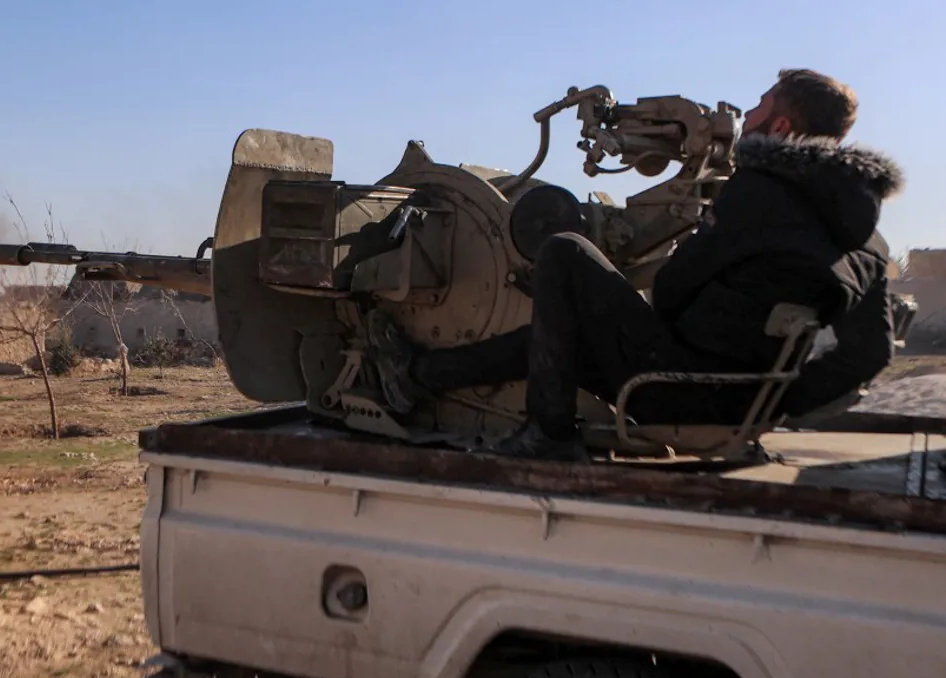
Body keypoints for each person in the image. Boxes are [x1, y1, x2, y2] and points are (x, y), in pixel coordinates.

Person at [369, 68, 905, 461]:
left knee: (563, 251)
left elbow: (670, 290)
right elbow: (870, 353)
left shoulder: (759, 194)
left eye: (759, 109)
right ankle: (417, 376)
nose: (748, 118)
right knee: (563, 337)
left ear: (782, 127)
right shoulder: (868, 241)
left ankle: (548, 434)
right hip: (738, 404)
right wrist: (772, 400)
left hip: (671, 385)